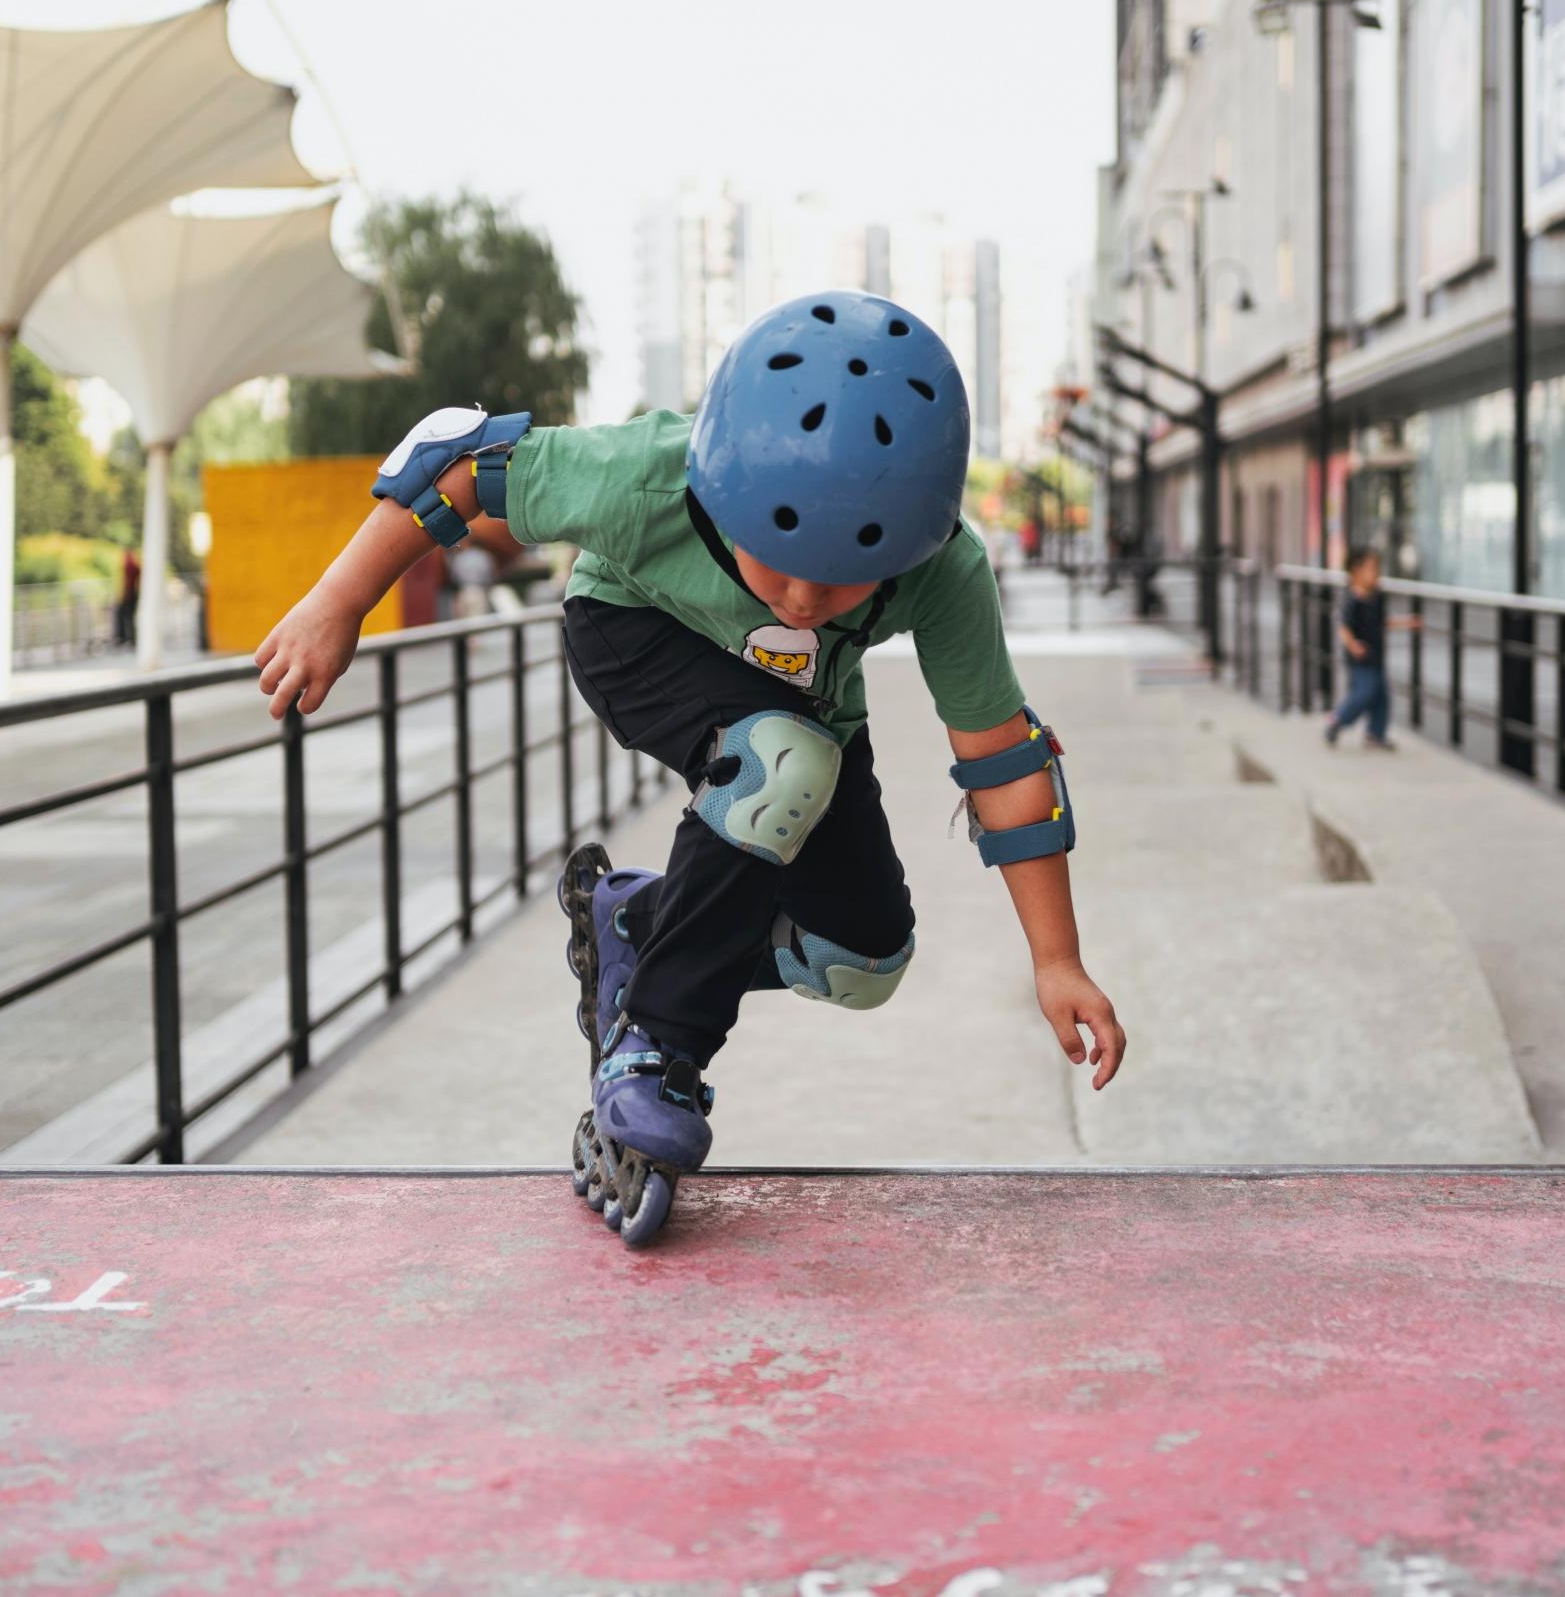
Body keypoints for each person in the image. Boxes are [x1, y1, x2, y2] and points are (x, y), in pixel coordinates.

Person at [254, 293, 1129, 1246]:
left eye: (838, 583)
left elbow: (1003, 762)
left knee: (863, 959)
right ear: (721, 487)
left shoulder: (944, 568)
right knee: (778, 763)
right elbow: (457, 462)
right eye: (776, 562)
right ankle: (655, 1047)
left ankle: (635, 923)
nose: (801, 601)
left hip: (806, 711)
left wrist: (1057, 960)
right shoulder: (643, 476)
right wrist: (338, 601)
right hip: (634, 634)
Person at [1323, 547, 1419, 750]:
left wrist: (1407, 622)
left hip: (1376, 656)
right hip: (1360, 659)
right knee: (1364, 693)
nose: (1376, 573)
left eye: (1377, 568)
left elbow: (1383, 623)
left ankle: (1375, 734)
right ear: (1355, 572)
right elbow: (1343, 627)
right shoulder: (1352, 600)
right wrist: (1352, 645)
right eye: (1371, 568)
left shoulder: (1377, 597)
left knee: (1381, 698)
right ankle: (1337, 719)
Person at [114, 544, 142, 650]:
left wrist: (123, 595)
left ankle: (124, 639)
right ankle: (128, 639)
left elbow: (126, 582)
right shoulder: (135, 565)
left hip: (129, 595)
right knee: (129, 618)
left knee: (126, 617)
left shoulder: (129, 565)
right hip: (132, 594)